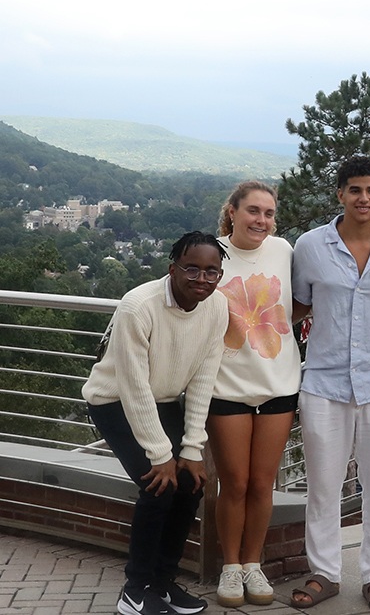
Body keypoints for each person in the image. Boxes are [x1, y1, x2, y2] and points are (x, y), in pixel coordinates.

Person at [290, 155, 370, 611]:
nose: (364, 198)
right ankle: (324, 572)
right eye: (355, 189)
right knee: (323, 486)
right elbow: (295, 307)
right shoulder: (309, 246)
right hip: (324, 382)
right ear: (340, 193)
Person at [84, 231, 229, 615]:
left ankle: (162, 585)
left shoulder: (218, 307)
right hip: (114, 401)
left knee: (190, 485)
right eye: (192, 269)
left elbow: (203, 379)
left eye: (211, 272)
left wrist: (192, 449)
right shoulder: (138, 306)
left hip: (163, 401)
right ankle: (135, 591)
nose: (202, 279)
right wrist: (161, 454)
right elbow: (133, 387)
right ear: (172, 269)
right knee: (159, 486)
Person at [206, 182, 301, 607]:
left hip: (278, 384)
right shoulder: (212, 254)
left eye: (268, 213)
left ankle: (252, 563)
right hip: (226, 386)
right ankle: (230, 567)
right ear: (233, 212)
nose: (261, 220)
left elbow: (299, 303)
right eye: (253, 211)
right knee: (235, 483)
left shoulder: (283, 250)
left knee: (263, 483)